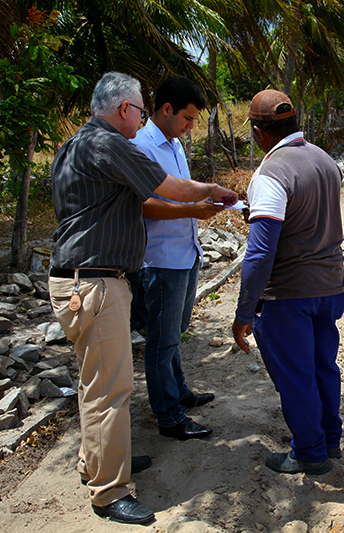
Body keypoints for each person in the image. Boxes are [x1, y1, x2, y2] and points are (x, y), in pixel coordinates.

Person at [49, 72, 237, 524]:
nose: (139, 118)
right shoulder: (109, 143)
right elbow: (165, 189)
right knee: (110, 391)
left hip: (80, 281)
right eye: (137, 109)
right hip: (95, 282)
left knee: (96, 384)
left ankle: (95, 462)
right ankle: (109, 491)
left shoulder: (74, 145)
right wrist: (212, 193)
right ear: (123, 109)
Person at [231, 89, 344, 476]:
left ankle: (310, 453)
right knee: (322, 367)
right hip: (330, 286)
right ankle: (331, 440)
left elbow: (261, 253)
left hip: (288, 294)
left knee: (296, 376)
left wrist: (245, 311)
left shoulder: (271, 173)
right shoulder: (325, 161)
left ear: (259, 131)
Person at [131, 76, 222, 440]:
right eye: (187, 118)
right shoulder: (141, 145)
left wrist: (201, 206)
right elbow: (142, 205)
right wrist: (192, 212)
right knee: (161, 339)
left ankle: (179, 390)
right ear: (166, 109)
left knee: (174, 331)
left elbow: (182, 194)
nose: (190, 127)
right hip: (161, 258)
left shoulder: (174, 143)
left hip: (185, 253)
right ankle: (168, 415)